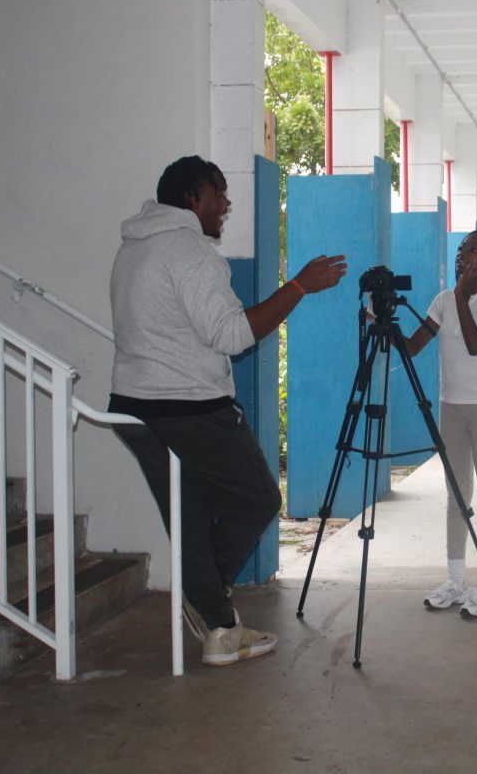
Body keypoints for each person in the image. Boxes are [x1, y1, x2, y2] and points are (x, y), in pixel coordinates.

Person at [108, 155, 347, 666]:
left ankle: (220, 629)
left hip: (134, 410)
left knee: (190, 516)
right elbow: (235, 335)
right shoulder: (188, 250)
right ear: (194, 197)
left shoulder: (133, 249)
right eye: (219, 193)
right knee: (257, 501)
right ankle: (207, 599)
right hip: (189, 409)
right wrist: (299, 285)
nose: (227, 204)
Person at [397, 230, 477, 619]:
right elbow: (413, 347)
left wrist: (463, 296)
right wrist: (381, 324)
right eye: (462, 248)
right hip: (451, 407)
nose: (463, 254)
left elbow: (476, 344)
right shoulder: (443, 301)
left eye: (474, 249)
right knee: (456, 496)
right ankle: (454, 580)